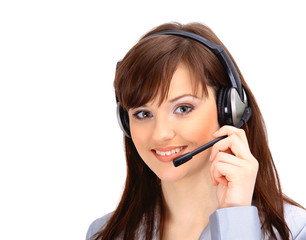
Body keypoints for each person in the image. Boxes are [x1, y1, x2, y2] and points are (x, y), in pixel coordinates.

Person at [86, 22, 306, 240]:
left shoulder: (295, 230)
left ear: (228, 111)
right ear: (126, 121)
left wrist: (237, 219)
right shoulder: (105, 233)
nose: (161, 133)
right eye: (143, 114)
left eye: (183, 108)